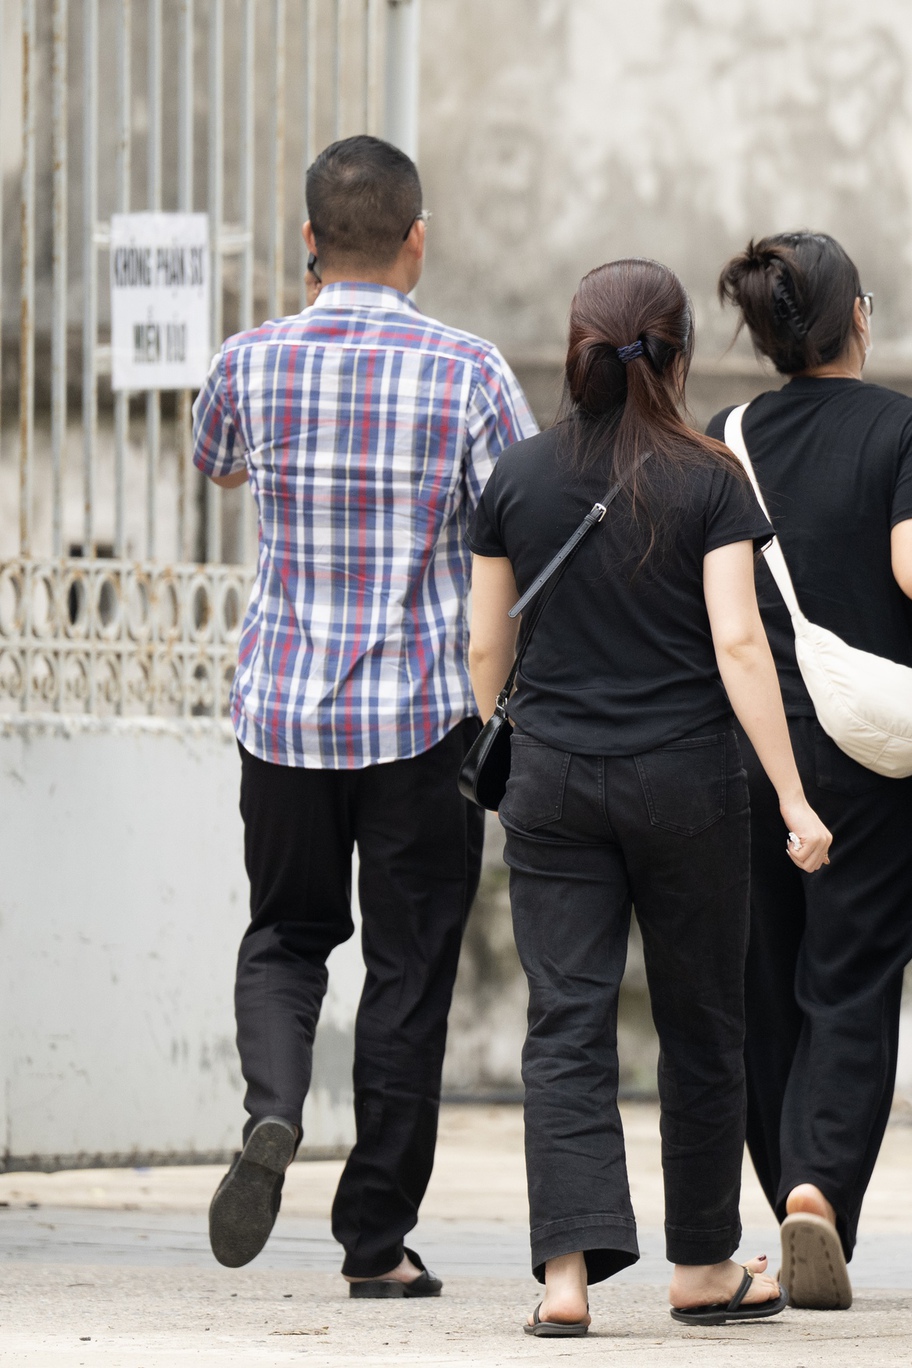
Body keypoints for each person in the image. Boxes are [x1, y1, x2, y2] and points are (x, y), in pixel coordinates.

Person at [192, 135, 537, 1293]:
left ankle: (274, 1109)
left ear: (308, 241)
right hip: (425, 722)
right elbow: (524, 516)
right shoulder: (470, 371)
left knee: (284, 936)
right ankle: (374, 1240)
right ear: (415, 240)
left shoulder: (249, 360)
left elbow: (216, 463)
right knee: (408, 971)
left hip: (283, 716)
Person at [466, 259, 831, 1337]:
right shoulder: (711, 477)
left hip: (553, 781)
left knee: (564, 1022)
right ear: (677, 353)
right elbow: (738, 643)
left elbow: (486, 643)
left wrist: (511, 731)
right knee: (703, 1022)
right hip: (687, 783)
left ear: (575, 345)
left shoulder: (519, 475)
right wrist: (793, 796)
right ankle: (704, 1268)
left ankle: (565, 1281)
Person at [706, 232, 912, 1310]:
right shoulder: (911, 431)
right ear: (858, 314)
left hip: (744, 747)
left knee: (762, 985)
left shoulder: (725, 437)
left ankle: (786, 1192)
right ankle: (818, 1189)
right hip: (865, 754)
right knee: (851, 977)